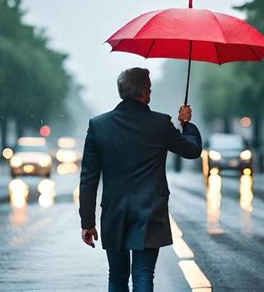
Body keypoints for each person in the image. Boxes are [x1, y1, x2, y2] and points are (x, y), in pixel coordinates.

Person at [79, 67, 202, 292]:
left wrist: (87, 222)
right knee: (144, 275)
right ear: (145, 92)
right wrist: (187, 125)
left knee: (116, 277)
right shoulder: (160, 124)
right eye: (150, 88)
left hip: (115, 212)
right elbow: (192, 150)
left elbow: (89, 178)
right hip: (150, 210)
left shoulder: (98, 125)